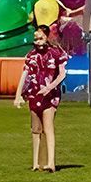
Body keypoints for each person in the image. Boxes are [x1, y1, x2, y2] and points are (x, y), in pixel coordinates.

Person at [14, 26, 68, 172]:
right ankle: (36, 163)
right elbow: (24, 75)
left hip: (50, 96)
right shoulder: (31, 56)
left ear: (47, 37)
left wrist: (49, 87)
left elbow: (62, 74)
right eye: (36, 39)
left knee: (48, 127)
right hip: (34, 94)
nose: (38, 42)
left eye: (41, 38)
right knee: (36, 129)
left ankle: (51, 162)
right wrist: (18, 95)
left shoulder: (56, 53)